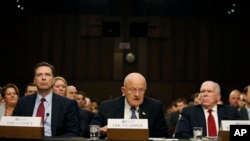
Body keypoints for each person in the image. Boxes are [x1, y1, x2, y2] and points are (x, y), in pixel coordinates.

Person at [89, 72, 168, 138]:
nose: (137, 94)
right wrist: (100, 130)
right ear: (123, 90)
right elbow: (90, 130)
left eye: (141, 90)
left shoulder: (155, 107)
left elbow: (163, 136)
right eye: (133, 90)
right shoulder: (108, 107)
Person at [12, 62, 80, 137]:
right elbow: (13, 128)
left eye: (47, 75)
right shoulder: (22, 102)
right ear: (34, 80)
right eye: (39, 75)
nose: (43, 78)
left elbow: (73, 132)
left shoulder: (67, 104)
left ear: (53, 80)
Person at [174, 80, 240, 139]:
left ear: (218, 97)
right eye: (202, 91)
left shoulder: (230, 111)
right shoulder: (189, 112)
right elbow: (180, 133)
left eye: (209, 91)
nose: (205, 94)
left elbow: (240, 133)